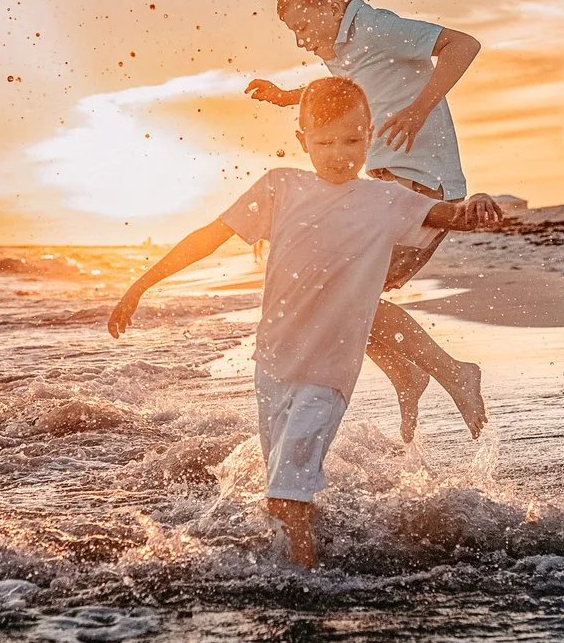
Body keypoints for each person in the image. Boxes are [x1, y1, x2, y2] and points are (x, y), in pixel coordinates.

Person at [109, 77, 501, 568]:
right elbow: (209, 236)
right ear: (303, 140)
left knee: (286, 496)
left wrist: (478, 201)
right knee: (280, 494)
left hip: (329, 373)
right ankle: (304, 566)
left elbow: (454, 215)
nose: (340, 154)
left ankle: (307, 589)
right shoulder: (281, 187)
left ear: (370, 133)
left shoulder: (386, 200)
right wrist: (143, 283)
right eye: (326, 141)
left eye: (353, 140)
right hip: (272, 364)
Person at [245, 0, 484, 441]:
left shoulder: (377, 26)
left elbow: (464, 44)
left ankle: (453, 372)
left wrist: (419, 110)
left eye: (300, 24)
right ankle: (408, 374)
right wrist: (287, 96)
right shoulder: (344, 48)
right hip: (391, 184)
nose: (299, 39)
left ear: (331, 5)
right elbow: (347, 84)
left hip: (419, 186)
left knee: (341, 295)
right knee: (344, 295)